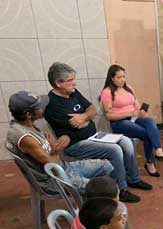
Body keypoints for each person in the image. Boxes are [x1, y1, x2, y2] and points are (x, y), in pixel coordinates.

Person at [44, 62, 151, 203]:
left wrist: (83, 116)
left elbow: (92, 109)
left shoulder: (73, 93)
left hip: (94, 136)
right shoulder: (52, 104)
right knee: (115, 150)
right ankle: (120, 189)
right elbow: (78, 126)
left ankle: (133, 179)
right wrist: (87, 117)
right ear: (58, 83)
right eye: (70, 81)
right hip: (77, 144)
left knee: (126, 141)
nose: (74, 84)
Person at [5, 91, 113, 194]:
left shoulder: (27, 125)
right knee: (104, 190)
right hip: (56, 180)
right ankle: (91, 203)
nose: (43, 108)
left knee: (106, 165)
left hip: (64, 168)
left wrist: (57, 144)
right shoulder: (25, 138)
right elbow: (53, 167)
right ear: (28, 114)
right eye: (39, 107)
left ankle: (89, 198)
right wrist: (55, 150)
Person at [101, 64, 163, 177]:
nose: (122, 80)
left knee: (150, 121)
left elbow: (137, 106)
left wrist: (142, 112)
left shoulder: (129, 88)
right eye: (119, 77)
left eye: (123, 76)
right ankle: (150, 163)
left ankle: (158, 149)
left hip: (134, 118)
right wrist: (128, 113)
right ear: (112, 78)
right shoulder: (107, 92)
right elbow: (109, 116)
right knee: (147, 134)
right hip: (119, 122)